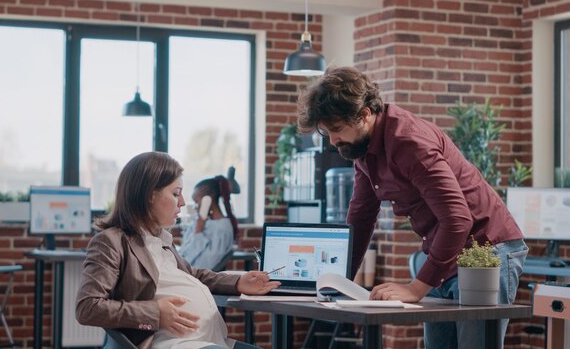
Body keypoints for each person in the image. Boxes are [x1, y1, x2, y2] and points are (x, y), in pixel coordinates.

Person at [296, 66, 528, 349]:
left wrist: (416, 288)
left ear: (364, 115)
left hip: (487, 249)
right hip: (446, 252)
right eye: (326, 133)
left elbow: (457, 219)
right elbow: (361, 215)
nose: (333, 141)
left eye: (336, 130)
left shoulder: (408, 141)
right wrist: (339, 280)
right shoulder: (362, 150)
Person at [76, 152, 280, 349]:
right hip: (170, 344)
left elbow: (193, 275)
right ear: (149, 196)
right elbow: (87, 308)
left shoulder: (161, 240)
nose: (182, 203)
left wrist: (238, 282)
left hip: (211, 340)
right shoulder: (110, 242)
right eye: (175, 194)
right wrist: (155, 313)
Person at [179, 176, 237, 270]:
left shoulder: (222, 228)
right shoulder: (201, 222)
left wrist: (198, 232)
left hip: (195, 280)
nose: (195, 207)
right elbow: (184, 253)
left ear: (208, 199)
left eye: (196, 202)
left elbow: (204, 266)